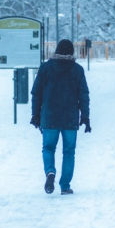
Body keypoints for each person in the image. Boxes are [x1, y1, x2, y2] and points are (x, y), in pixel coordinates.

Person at [30, 39, 91, 195]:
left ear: (56, 51)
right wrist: (85, 116)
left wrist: (35, 115)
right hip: (70, 118)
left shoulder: (45, 68)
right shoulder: (77, 70)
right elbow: (83, 94)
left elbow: (36, 93)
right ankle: (65, 185)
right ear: (71, 52)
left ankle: (50, 172)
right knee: (69, 151)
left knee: (48, 148)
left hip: (49, 116)